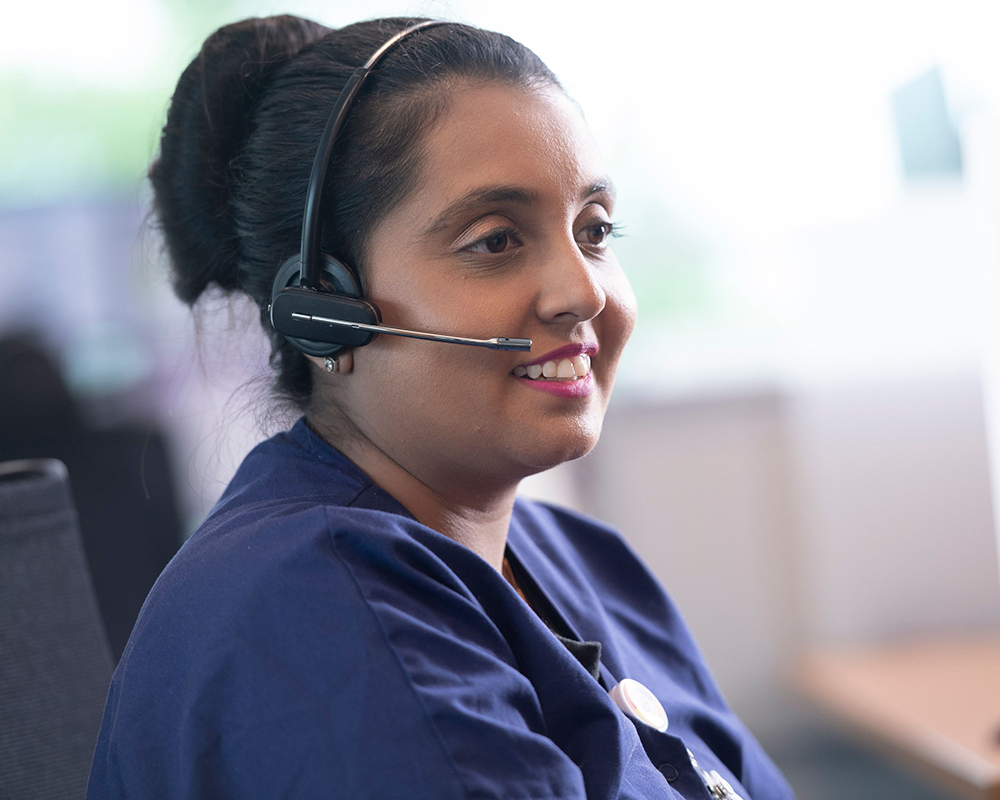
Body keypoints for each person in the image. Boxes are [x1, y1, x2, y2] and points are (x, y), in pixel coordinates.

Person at [88, 15, 794, 800]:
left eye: (593, 230)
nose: (585, 291)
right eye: (495, 240)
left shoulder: (580, 561)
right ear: (326, 307)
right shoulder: (325, 621)